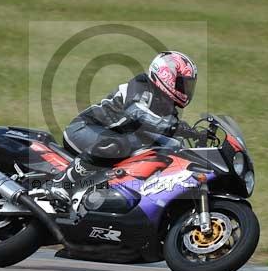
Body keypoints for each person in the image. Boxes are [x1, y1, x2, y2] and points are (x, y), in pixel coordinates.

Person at [51, 51, 198, 200]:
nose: (186, 89)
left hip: (109, 136)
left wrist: (194, 134)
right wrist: (173, 127)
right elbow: (135, 113)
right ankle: (61, 182)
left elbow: (168, 134)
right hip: (83, 128)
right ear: (166, 76)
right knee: (118, 144)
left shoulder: (168, 107)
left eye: (188, 85)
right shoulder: (141, 85)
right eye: (182, 83)